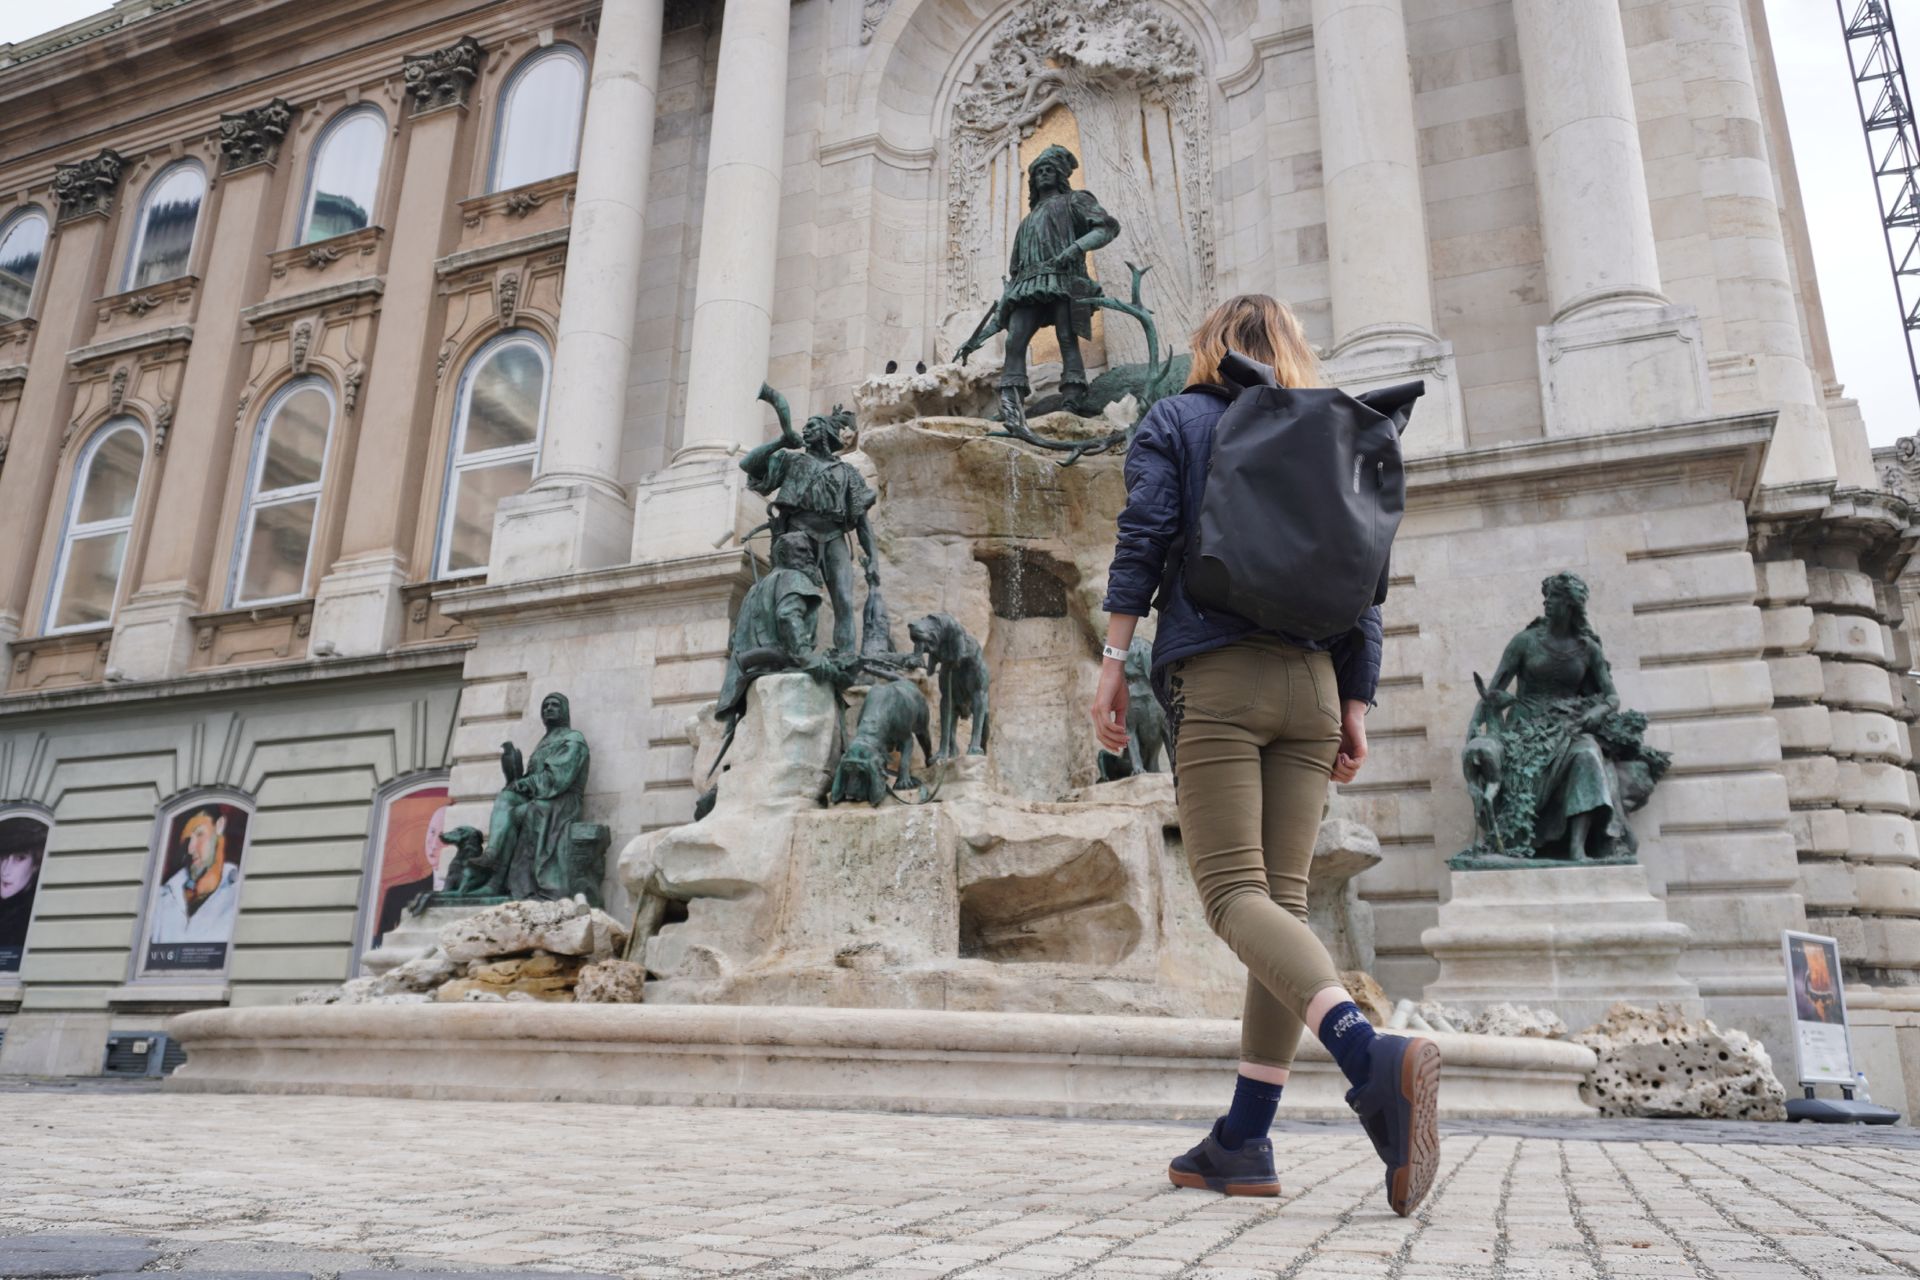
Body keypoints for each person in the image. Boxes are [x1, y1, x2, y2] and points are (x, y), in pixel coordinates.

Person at [1092, 294, 1440, 1216]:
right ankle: (1243, 1142)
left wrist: (1113, 663)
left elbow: (1144, 539)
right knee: (1280, 908)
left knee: (1230, 896)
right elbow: (1368, 581)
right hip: (1316, 689)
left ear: (1209, 347)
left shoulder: (1180, 418)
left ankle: (1369, 1056)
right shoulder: (1339, 436)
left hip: (1220, 677)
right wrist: (1355, 702)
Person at [147, 808, 243, 947]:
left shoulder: (239, 895)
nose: (190, 849)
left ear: (219, 826)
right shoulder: (161, 899)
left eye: (199, 834)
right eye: (187, 840)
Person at [0, 817, 47, 969]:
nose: (5, 871)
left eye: (19, 858)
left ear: (35, 865)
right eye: (3, 857)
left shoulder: (36, 913)